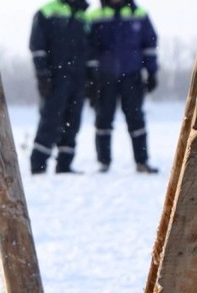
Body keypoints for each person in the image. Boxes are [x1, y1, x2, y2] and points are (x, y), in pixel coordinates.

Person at [86, 0, 159, 173]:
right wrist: (90, 78)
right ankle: (103, 162)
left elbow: (149, 44)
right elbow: (88, 48)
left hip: (132, 76)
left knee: (136, 119)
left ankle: (142, 161)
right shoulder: (94, 16)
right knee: (103, 119)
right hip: (104, 78)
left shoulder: (139, 14)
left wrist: (152, 72)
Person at [29, 0, 91, 175]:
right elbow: (37, 45)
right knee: (50, 120)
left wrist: (92, 78)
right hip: (55, 78)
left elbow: (90, 48)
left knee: (73, 122)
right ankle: (38, 165)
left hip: (78, 79)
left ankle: (65, 164)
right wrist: (42, 74)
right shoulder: (46, 12)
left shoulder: (84, 16)